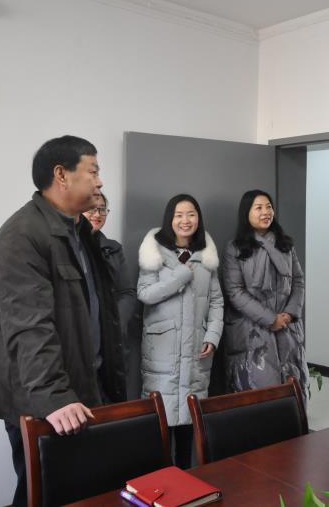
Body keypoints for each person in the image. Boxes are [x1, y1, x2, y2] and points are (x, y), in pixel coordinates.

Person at [0, 135, 126, 506]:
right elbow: (28, 325)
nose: (100, 181)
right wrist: (54, 397)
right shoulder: (22, 235)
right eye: (93, 171)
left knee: (83, 491)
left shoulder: (80, 232)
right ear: (61, 175)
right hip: (46, 402)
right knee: (44, 493)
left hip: (84, 389)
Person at [137, 194, 223, 468]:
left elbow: (217, 301)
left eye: (191, 214)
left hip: (196, 351)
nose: (185, 220)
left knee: (188, 424)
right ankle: (162, 485)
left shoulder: (206, 255)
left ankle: (186, 480)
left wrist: (212, 336)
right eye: (179, 215)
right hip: (163, 352)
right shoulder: (154, 251)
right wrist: (180, 276)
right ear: (170, 219)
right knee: (159, 428)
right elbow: (145, 294)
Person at [221, 189, 309, 402]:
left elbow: (298, 281)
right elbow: (235, 292)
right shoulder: (235, 248)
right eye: (258, 208)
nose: (265, 212)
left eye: (269, 207)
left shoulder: (285, 245)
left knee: (293, 390)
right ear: (247, 213)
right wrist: (270, 319)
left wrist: (289, 314)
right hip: (252, 330)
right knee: (258, 394)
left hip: (287, 328)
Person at [83, 192, 138, 397]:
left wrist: (114, 325)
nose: (97, 214)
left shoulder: (113, 248)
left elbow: (127, 292)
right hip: (83, 341)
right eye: (92, 209)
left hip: (112, 341)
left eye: (102, 209)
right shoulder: (70, 247)